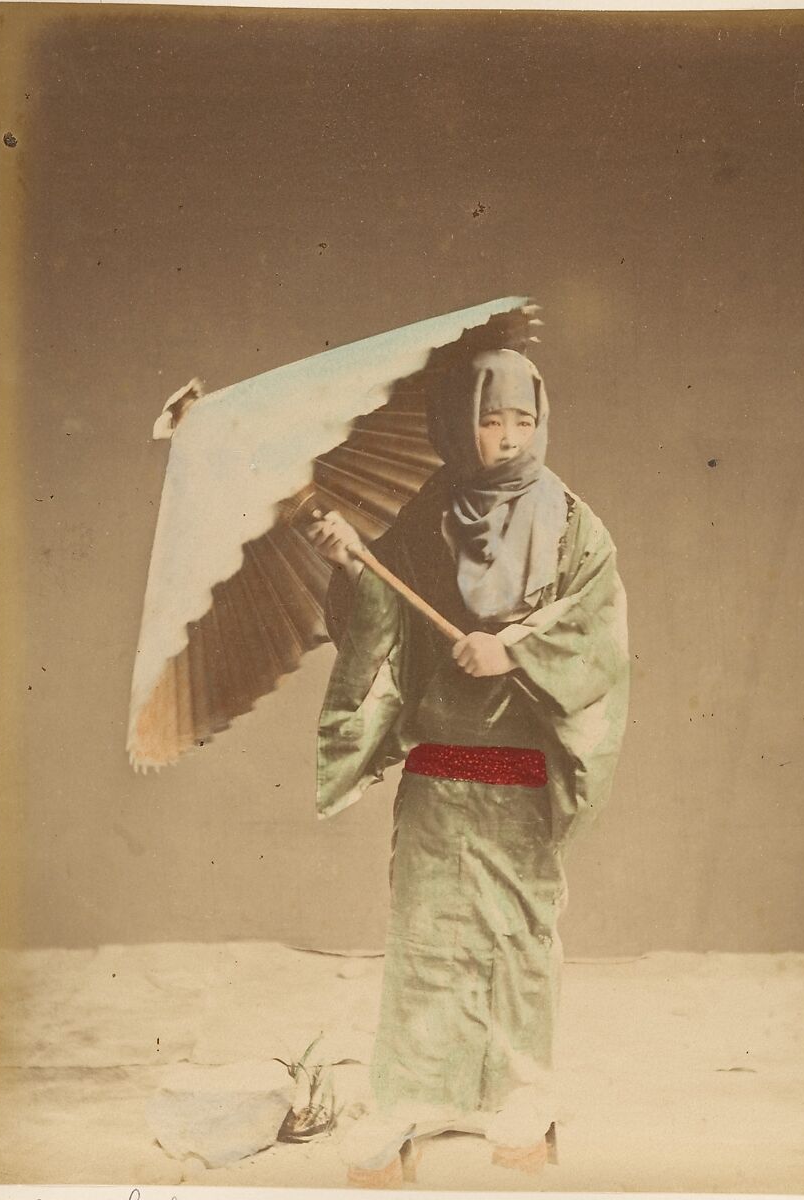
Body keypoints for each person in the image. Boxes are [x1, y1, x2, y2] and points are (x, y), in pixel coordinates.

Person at [306, 348, 630, 1186]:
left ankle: (521, 1095)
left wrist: (515, 647)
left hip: (519, 763)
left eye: (524, 419)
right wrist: (351, 563)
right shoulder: (427, 514)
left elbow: (594, 630)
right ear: (462, 424)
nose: (510, 437)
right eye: (491, 420)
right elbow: (381, 606)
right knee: (428, 931)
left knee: (517, 936)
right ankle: (414, 1093)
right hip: (439, 763)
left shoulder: (572, 524)